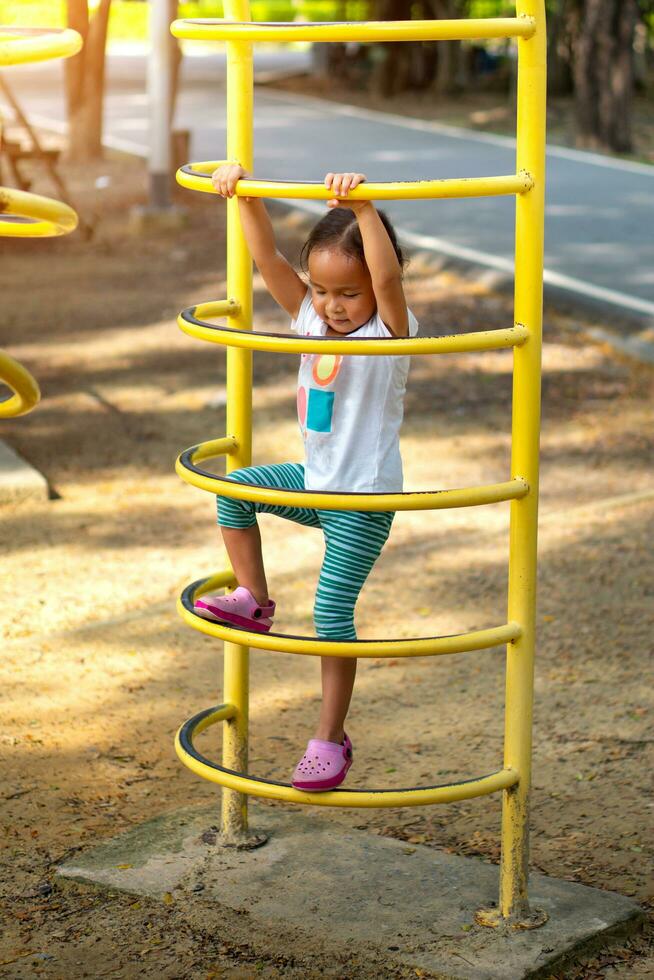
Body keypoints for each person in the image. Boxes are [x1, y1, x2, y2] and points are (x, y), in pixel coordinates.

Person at [194, 165, 419, 791]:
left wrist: (366, 207)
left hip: (364, 498)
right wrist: (243, 194)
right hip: (314, 479)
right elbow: (266, 257)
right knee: (236, 492)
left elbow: (389, 277)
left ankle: (330, 737)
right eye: (320, 289)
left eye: (348, 292)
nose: (332, 305)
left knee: (330, 612)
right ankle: (255, 598)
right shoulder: (311, 320)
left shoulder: (389, 331)